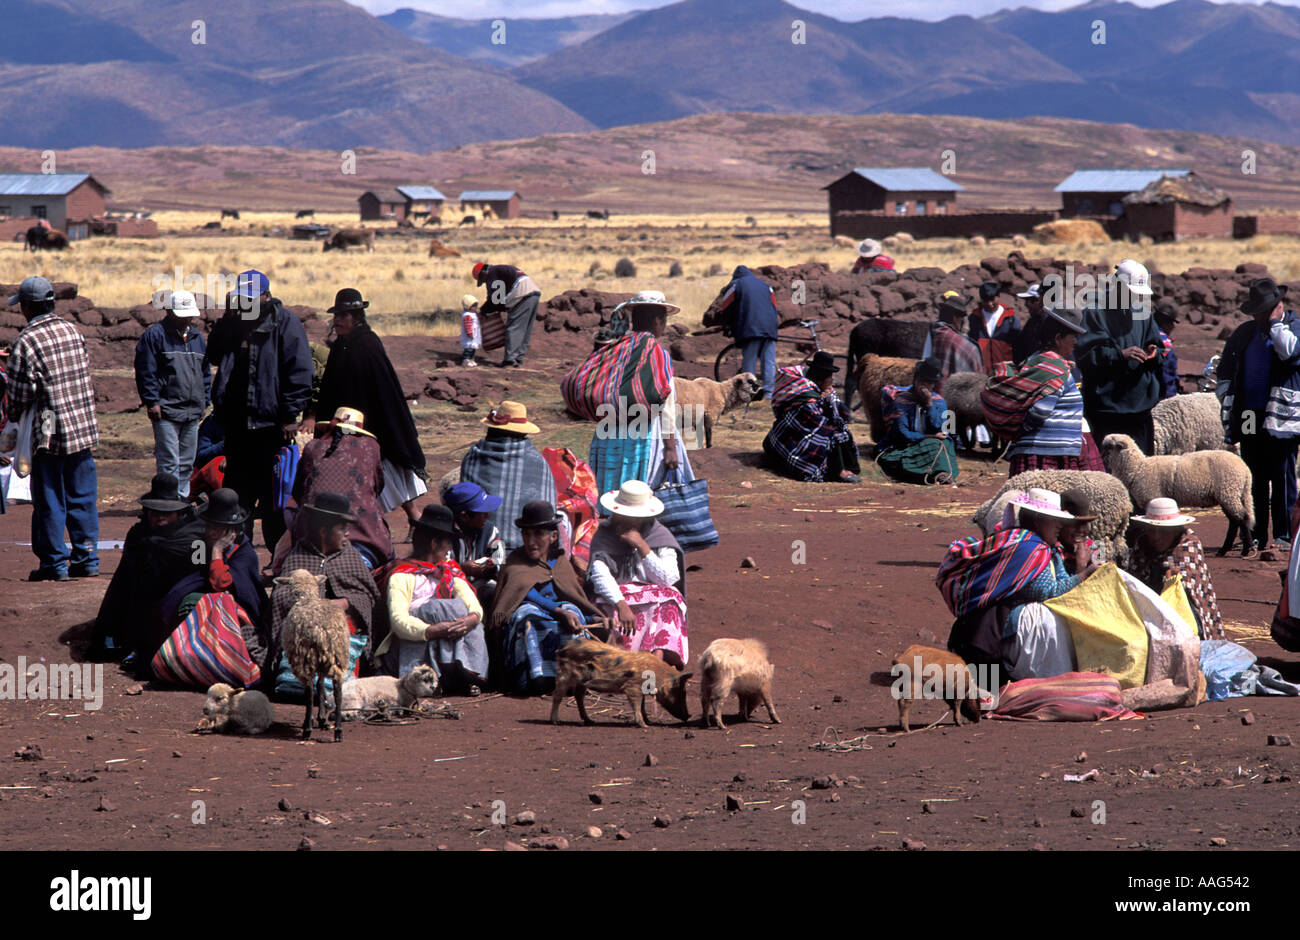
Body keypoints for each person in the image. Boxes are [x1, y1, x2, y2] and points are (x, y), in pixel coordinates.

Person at [206, 269, 313, 549]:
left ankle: (276, 563)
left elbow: (300, 372)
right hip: (238, 427)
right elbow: (213, 354)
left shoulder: (286, 323)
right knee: (237, 497)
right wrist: (226, 321)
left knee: (273, 500)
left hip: (272, 428)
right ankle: (237, 559)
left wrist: (291, 415)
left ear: (266, 297)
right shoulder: (235, 323)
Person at [304, 288, 427, 529]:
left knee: (381, 474)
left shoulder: (368, 345)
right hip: (345, 421)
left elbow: (382, 391)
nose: (337, 321)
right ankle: (392, 522)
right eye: (336, 316)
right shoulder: (342, 346)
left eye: (343, 316)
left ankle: (394, 524)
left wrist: (376, 426)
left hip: (373, 424)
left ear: (357, 317)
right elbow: (331, 388)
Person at [5, 276, 100, 580]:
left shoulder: (27, 342)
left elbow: (19, 395)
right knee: (82, 495)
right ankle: (86, 558)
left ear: (27, 307)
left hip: (49, 430)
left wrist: (13, 421)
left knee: (49, 499)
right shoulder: (73, 331)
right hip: (82, 426)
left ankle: (54, 563)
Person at [940, 488, 1096, 671]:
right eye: (1056, 521)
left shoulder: (1043, 548)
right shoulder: (1028, 548)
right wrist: (1084, 574)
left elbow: (1060, 580)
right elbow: (1045, 592)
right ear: (1038, 521)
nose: (1059, 526)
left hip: (993, 630)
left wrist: (1080, 569)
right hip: (990, 634)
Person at [487, 501, 605, 695]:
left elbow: (576, 601)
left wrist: (593, 619)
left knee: (573, 610)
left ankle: (572, 679)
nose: (531, 541)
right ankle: (535, 678)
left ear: (554, 537)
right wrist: (557, 611)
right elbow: (523, 594)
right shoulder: (516, 562)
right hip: (530, 618)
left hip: (561, 614)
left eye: (538, 534)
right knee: (527, 615)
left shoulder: (560, 564)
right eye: (526, 534)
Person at [1217, 278, 1300, 550]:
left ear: (1277, 307)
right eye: (1257, 312)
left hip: (1279, 417)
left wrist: (1277, 324)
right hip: (1249, 415)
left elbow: (1289, 353)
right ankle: (1256, 534)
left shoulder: (1293, 328)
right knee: (1255, 476)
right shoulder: (1244, 333)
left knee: (1282, 474)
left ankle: (1284, 536)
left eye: (1265, 311)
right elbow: (1226, 366)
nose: (1260, 317)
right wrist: (1225, 393)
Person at [583, 291, 692, 496]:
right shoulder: (657, 354)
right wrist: (670, 447)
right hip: (642, 437)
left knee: (609, 492)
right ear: (659, 321)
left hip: (607, 434)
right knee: (637, 497)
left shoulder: (614, 348)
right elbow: (665, 404)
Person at [88, 474, 204, 664]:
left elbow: (198, 574)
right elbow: (123, 579)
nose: (160, 518)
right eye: (155, 512)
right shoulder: (138, 536)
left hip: (180, 600)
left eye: (166, 513)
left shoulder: (196, 537)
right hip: (142, 600)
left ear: (179, 513)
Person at [155, 487, 270, 678]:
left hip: (232, 618)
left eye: (216, 528)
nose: (209, 532)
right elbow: (189, 577)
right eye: (209, 525)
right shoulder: (200, 546)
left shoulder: (244, 553)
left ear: (231, 531)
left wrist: (217, 552)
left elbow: (222, 585)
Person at [373, 505, 488, 694]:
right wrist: (430, 630)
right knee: (436, 608)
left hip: (447, 635)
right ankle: (428, 679)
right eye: (448, 543)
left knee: (469, 617)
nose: (450, 549)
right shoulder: (402, 575)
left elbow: (471, 601)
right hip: (414, 643)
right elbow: (399, 621)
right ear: (434, 543)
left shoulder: (448, 571)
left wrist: (471, 619)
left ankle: (466, 673)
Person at [269, 492, 381, 675]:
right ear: (323, 532)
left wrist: (344, 603)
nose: (348, 533)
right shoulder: (299, 557)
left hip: (344, 633)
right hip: (303, 632)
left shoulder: (350, 556)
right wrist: (311, 607)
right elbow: (280, 598)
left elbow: (368, 596)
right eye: (342, 528)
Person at [587, 480, 689, 668]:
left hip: (653, 596)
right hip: (617, 598)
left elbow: (668, 579)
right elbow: (599, 574)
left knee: (671, 599)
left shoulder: (660, 536)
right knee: (606, 612)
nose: (622, 519)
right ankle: (623, 670)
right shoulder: (604, 535)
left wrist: (642, 546)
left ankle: (653, 666)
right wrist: (622, 604)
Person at [1075, 259, 1165, 456]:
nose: (1134, 298)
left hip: (1139, 407)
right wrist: (1120, 355)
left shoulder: (1144, 314)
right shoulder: (1095, 312)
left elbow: (1159, 349)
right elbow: (1084, 356)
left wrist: (1154, 354)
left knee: (1140, 470)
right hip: (1106, 409)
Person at [284, 407, 392, 570]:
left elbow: (298, 491)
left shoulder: (312, 447)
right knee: (387, 562)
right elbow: (377, 486)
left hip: (311, 536)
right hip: (364, 535)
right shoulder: (371, 447)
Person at [1004, 307, 1106, 476]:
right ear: (1058, 338)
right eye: (1072, 337)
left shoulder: (1033, 360)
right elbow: (1040, 410)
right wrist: (1023, 430)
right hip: (1049, 455)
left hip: (1038, 449)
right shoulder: (1054, 368)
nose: (1076, 342)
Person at [134, 289, 209, 497]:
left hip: (192, 410)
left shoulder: (197, 338)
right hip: (166, 410)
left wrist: (204, 400)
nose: (186, 319)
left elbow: (204, 373)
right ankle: (166, 503)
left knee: (186, 462)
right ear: (169, 311)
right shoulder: (154, 336)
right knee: (168, 461)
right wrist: (152, 401)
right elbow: (145, 371)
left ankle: (181, 501)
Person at [1124, 498, 1225, 641]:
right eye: (1152, 530)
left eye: (1163, 531)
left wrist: (1173, 582)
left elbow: (1191, 593)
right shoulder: (1141, 546)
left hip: (1184, 620)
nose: (1156, 537)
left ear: (1175, 529)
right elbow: (1132, 580)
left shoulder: (1188, 547)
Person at [460, 400, 556, 551]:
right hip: (527, 548)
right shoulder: (536, 462)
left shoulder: (473, 456)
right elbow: (548, 515)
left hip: (477, 548)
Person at [764, 351, 861, 483]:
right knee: (832, 432)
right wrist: (826, 405)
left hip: (789, 437)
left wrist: (828, 402)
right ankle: (839, 471)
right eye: (830, 377)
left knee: (840, 429)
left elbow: (843, 414)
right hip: (788, 442)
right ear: (821, 379)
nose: (832, 381)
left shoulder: (822, 391)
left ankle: (848, 466)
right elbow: (820, 425)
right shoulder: (806, 397)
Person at [875, 357, 958, 484]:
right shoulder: (902, 401)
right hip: (907, 445)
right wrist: (928, 436)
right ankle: (936, 474)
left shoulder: (938, 401)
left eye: (930, 383)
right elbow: (903, 433)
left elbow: (939, 427)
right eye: (923, 381)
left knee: (945, 443)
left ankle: (940, 473)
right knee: (934, 445)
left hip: (933, 443)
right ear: (916, 380)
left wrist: (929, 404)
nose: (926, 386)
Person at [715, 267, 780, 400]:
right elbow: (774, 306)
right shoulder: (766, 286)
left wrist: (729, 326)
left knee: (749, 362)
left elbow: (726, 306)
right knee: (768, 362)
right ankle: (768, 394)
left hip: (750, 328)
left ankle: (749, 393)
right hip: (770, 328)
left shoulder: (735, 284)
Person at [442, 481, 507, 604]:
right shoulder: (444, 536)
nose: (488, 515)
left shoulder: (490, 530)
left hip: (481, 586)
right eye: (482, 513)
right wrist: (462, 569)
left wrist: (492, 567)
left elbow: (501, 559)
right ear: (464, 516)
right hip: (452, 591)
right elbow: (437, 570)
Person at [474, 261, 541, 368]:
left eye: (482, 280)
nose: (485, 282)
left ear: (482, 272)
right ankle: (518, 359)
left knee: (513, 329)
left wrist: (483, 310)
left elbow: (496, 300)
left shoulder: (492, 273)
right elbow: (498, 299)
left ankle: (509, 361)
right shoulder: (499, 270)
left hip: (523, 294)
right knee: (525, 329)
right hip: (534, 293)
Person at [924, 291, 982, 385]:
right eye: (961, 318)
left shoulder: (935, 331)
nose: (962, 322)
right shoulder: (964, 346)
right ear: (955, 318)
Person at [967, 281, 1020, 374]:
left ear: (999, 296)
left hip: (1005, 374)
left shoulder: (1011, 319)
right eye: (986, 300)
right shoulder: (974, 318)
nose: (989, 304)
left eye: (992, 299)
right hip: (981, 373)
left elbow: (1018, 348)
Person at [1058, 488, 1099, 573]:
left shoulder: (1092, 546)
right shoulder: (1055, 553)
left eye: (1084, 524)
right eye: (1074, 524)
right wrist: (1081, 565)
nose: (1080, 530)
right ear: (1060, 524)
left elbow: (1104, 577)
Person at [1011, 283, 1048, 366]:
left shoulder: (1049, 324)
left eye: (1031, 300)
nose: (1026, 304)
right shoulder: (1032, 323)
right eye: (1026, 300)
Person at [1154, 300, 1180, 400]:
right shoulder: (1164, 343)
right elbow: (1167, 375)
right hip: (1160, 395)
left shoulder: (1143, 332)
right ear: (1167, 324)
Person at [460, 293, 481, 367]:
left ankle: (471, 360)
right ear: (468, 306)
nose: (476, 307)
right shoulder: (467, 315)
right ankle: (466, 360)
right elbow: (468, 326)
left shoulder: (472, 314)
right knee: (469, 349)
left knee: (473, 349)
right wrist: (469, 333)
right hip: (470, 337)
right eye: (474, 306)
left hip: (473, 336)